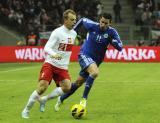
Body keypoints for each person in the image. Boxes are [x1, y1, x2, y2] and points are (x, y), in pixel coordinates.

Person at [39, 13, 123, 112]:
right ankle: (84, 99)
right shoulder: (92, 25)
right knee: (95, 73)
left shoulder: (112, 32)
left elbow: (120, 47)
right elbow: (83, 20)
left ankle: (59, 99)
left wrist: (113, 41)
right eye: (102, 22)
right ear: (99, 20)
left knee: (77, 83)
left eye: (106, 23)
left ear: (110, 23)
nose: (103, 24)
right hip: (84, 55)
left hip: (95, 61)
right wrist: (73, 32)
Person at [21, 9, 77, 119]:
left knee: (67, 87)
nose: (74, 22)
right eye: (72, 20)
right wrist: (54, 54)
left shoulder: (74, 34)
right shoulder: (57, 32)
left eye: (75, 20)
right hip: (50, 63)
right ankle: (26, 110)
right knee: (42, 88)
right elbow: (47, 47)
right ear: (65, 20)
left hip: (62, 67)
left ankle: (43, 100)